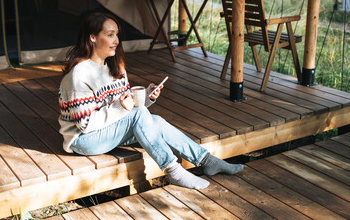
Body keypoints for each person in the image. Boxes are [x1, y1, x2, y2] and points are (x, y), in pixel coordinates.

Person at [58, 12, 243, 190]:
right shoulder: (80, 74)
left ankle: (208, 161)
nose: (116, 40)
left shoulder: (116, 66)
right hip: (84, 140)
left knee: (156, 122)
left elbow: (128, 110)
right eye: (110, 35)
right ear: (92, 37)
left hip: (109, 130)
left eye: (117, 35)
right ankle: (174, 171)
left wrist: (146, 97)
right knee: (140, 115)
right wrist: (121, 107)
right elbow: (85, 124)